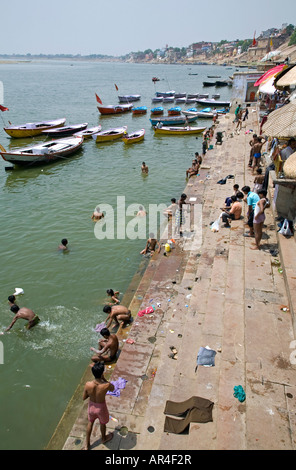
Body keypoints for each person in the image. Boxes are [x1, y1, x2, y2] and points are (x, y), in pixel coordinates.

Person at [83, 362, 114, 449]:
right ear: (102, 373)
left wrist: (92, 393)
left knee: (90, 423)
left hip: (91, 406)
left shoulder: (87, 384)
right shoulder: (106, 385)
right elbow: (113, 388)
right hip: (101, 407)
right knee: (102, 423)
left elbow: (84, 397)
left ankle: (87, 445)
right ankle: (104, 438)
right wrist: (104, 379)